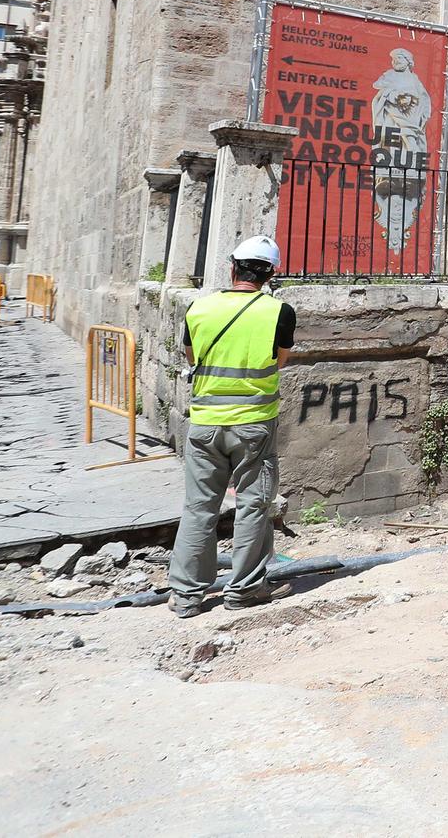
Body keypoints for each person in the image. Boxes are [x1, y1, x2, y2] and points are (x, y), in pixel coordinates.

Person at [168, 236, 296, 618]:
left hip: (205, 422)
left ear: (232, 268)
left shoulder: (199, 308)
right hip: (253, 424)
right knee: (253, 504)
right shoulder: (279, 312)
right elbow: (280, 362)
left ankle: (188, 596)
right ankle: (245, 588)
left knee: (199, 507)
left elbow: (192, 356)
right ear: (272, 273)